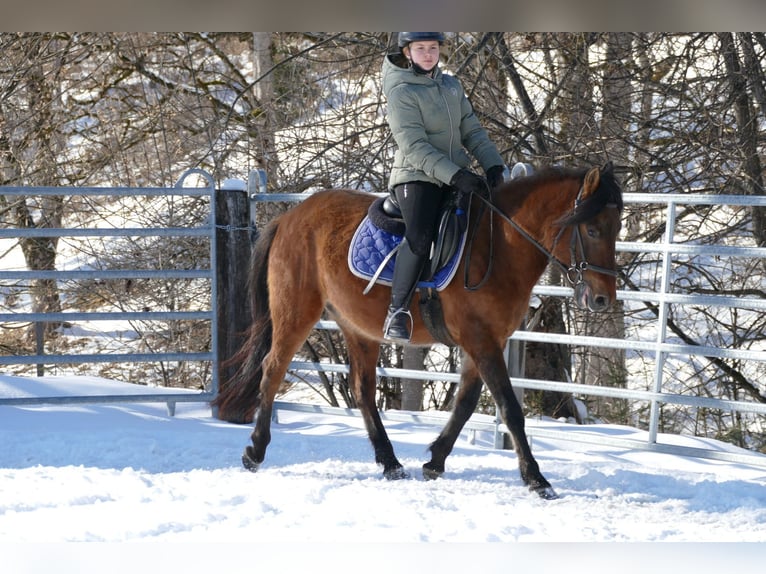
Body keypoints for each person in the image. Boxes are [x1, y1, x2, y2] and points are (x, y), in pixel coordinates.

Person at [381, 32, 507, 343]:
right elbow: (414, 147)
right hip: (415, 176)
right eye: (420, 48)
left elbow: (473, 131)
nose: (428, 54)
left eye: (433, 48)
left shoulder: (451, 86)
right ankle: (397, 311)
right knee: (421, 236)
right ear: (407, 52)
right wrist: (455, 175)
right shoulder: (401, 92)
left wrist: (493, 164)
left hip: (454, 174)